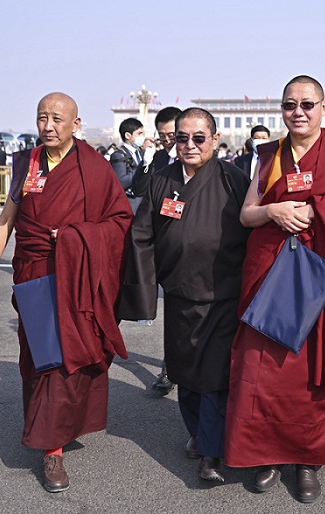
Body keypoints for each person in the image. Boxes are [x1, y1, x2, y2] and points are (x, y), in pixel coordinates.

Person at [225, 75, 325, 503]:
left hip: (317, 283)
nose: (299, 112)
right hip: (270, 276)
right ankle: (266, 455)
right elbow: (246, 215)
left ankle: (307, 460)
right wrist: (273, 210)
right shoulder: (269, 156)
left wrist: (320, 210)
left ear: (324, 108)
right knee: (262, 370)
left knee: (311, 375)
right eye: (290, 105)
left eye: (307, 104)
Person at [0, 92, 133, 493]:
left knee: (68, 359)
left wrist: (79, 237)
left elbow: (119, 221)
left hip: (77, 276)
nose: (48, 126)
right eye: (42, 117)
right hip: (33, 273)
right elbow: (5, 221)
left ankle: (53, 449)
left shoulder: (93, 168)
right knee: (41, 355)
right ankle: (52, 438)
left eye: (58, 119)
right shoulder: (26, 163)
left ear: (76, 125)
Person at [119, 107, 250, 484]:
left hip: (223, 295)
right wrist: (144, 293)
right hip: (178, 295)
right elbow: (141, 236)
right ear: (172, 140)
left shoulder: (234, 179)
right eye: (182, 138)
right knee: (185, 373)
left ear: (214, 139)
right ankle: (197, 432)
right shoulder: (160, 181)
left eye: (198, 138)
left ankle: (213, 451)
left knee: (215, 376)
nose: (190, 145)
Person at [128, 106, 182, 394]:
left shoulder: (197, 155)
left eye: (172, 134)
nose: (168, 141)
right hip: (164, 245)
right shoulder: (159, 157)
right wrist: (147, 160)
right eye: (163, 136)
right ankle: (170, 370)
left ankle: (176, 369)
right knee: (171, 312)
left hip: (191, 248)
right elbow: (138, 188)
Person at [110, 117, 149, 213]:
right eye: (139, 134)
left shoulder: (140, 152)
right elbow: (122, 181)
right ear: (128, 135)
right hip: (130, 205)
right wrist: (142, 167)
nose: (142, 137)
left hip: (143, 203)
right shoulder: (118, 155)